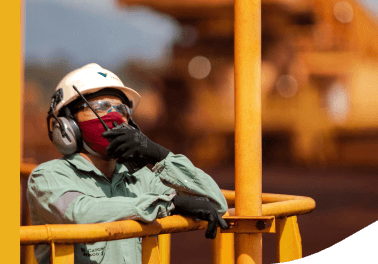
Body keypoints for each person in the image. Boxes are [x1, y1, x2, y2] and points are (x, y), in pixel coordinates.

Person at [27, 63, 229, 264]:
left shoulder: (140, 178)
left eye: (121, 109)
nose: (114, 116)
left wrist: (159, 156)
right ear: (67, 125)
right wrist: (168, 204)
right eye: (99, 107)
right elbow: (79, 212)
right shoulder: (47, 177)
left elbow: (216, 204)